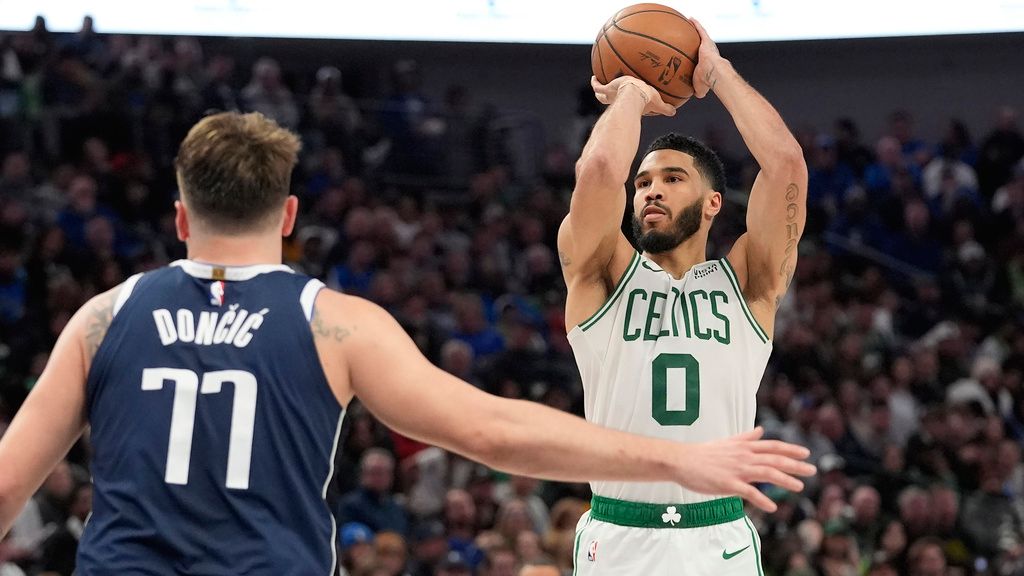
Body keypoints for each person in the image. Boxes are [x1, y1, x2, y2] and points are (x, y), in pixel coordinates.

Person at [0, 111, 813, 575]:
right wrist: (679, 459)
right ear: (289, 219)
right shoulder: (337, 323)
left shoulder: (104, 317)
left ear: (180, 219)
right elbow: (493, 432)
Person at [559, 18, 808, 576]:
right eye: (643, 182)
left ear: (715, 203)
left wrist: (715, 71)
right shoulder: (601, 273)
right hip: (620, 530)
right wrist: (630, 94)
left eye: (672, 179)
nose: (650, 190)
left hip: (716, 532)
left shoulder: (747, 282)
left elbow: (787, 164)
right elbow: (599, 169)